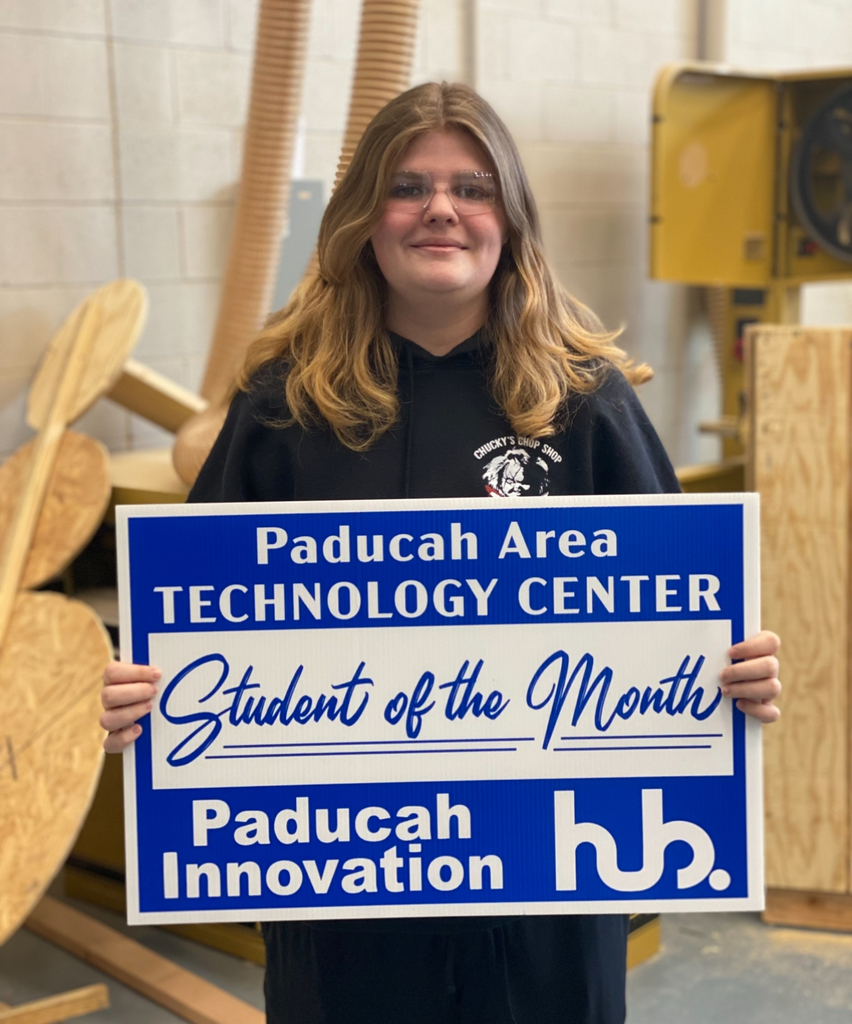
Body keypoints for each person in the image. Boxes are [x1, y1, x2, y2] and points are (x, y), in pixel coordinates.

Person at [101, 82, 781, 1024]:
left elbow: (685, 625)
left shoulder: (587, 402)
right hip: (339, 898)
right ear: (362, 221)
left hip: (546, 905)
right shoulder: (283, 405)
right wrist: (142, 692)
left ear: (510, 218)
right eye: (408, 186)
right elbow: (185, 637)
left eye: (472, 187)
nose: (441, 210)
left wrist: (735, 679)